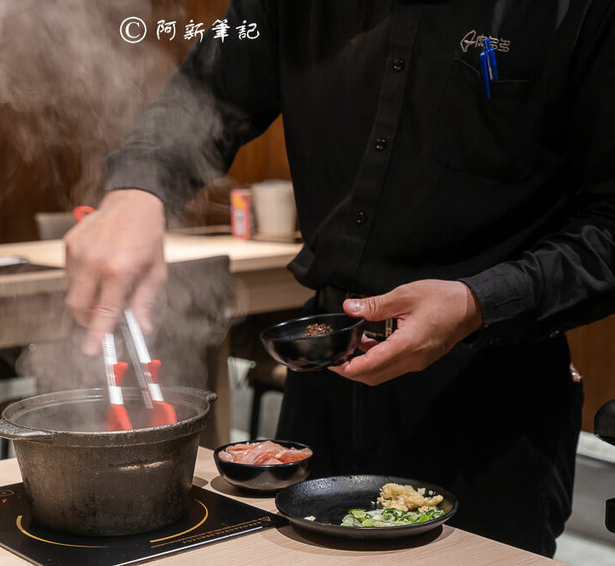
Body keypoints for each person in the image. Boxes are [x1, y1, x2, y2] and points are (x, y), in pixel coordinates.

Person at [64, 1, 615, 556]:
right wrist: (138, 189)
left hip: (494, 401)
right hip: (324, 378)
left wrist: (477, 301)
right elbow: (207, 92)